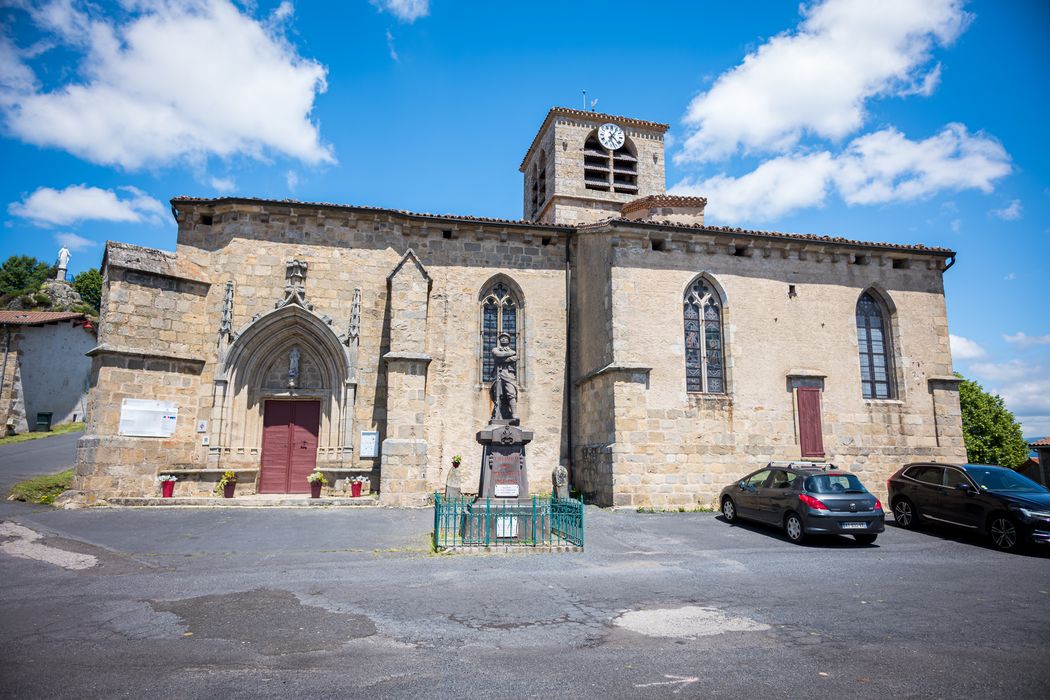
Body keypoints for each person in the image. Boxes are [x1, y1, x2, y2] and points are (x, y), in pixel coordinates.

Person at [489, 333, 518, 422]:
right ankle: (497, 414)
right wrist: (509, 355)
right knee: (498, 395)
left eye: (506, 338)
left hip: (509, 375)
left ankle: (514, 415)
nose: (503, 339)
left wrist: (503, 359)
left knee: (511, 393)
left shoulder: (513, 352)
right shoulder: (495, 349)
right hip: (498, 375)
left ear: (509, 340)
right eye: (502, 338)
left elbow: (515, 357)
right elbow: (497, 355)